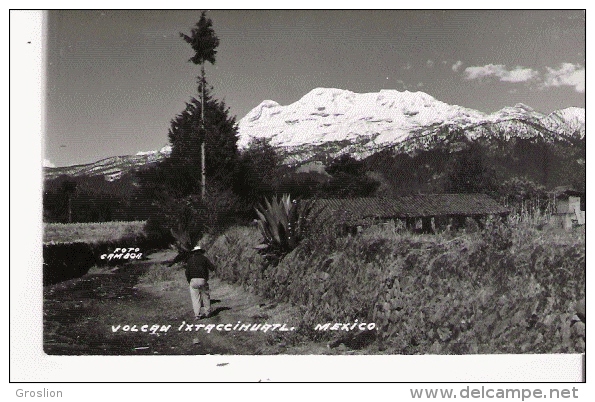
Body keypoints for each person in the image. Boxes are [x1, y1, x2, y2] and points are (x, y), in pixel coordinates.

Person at [184, 244, 216, 320]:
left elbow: (187, 272)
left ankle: (197, 315)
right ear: (201, 252)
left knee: (195, 299)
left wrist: (189, 281)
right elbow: (212, 268)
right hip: (203, 280)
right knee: (206, 296)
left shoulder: (190, 260)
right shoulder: (204, 258)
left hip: (193, 281)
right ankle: (208, 313)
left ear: (194, 252)